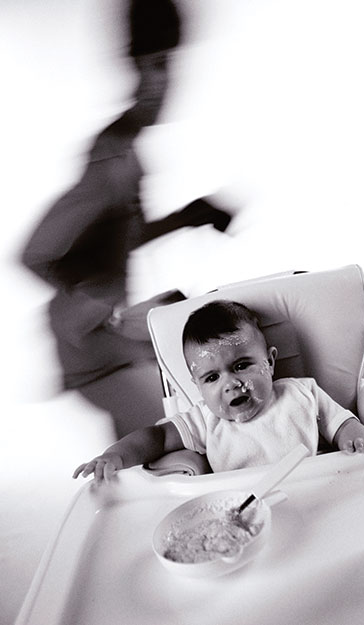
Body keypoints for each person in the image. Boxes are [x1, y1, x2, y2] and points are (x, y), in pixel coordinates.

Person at [21, 0, 232, 438]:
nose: (165, 82)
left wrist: (187, 217)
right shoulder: (111, 160)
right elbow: (34, 254)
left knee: (149, 450)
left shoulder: (127, 154)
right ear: (133, 68)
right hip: (93, 349)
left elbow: (120, 237)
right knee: (184, 430)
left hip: (110, 338)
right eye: (155, 65)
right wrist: (88, 299)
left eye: (170, 65)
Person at [73, 299, 364, 481]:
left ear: (269, 362)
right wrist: (115, 456)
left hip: (316, 487)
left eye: (242, 366)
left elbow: (341, 423)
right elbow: (157, 437)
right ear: (198, 387)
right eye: (212, 378)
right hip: (244, 505)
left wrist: (354, 439)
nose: (230, 383)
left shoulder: (302, 392)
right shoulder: (204, 420)